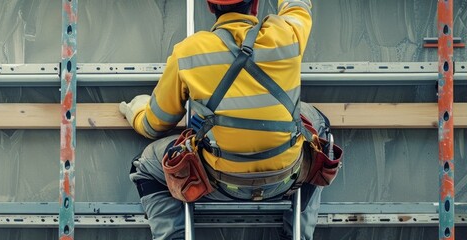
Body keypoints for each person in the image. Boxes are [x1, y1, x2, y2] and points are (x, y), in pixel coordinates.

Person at [119, 0, 327, 239]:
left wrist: (135, 110)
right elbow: (297, 5)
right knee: (319, 131)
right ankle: (298, 233)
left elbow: (154, 125)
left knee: (145, 165)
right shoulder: (287, 35)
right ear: (256, 4)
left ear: (210, 7)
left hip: (220, 184)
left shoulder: (189, 52)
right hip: (285, 179)